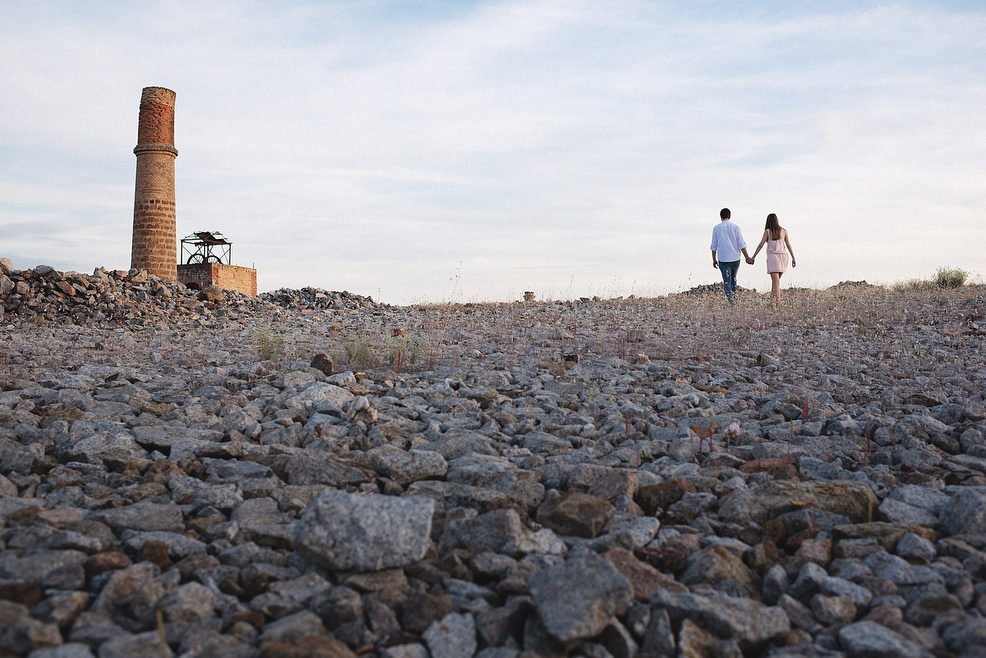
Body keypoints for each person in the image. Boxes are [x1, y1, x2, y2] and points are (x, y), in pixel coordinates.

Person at [750, 212, 797, 302]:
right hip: (783, 257)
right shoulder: (784, 231)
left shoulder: (767, 231)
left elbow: (761, 245)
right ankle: (772, 304)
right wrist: (793, 257)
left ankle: (777, 302)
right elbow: (788, 245)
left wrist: (753, 256)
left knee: (776, 282)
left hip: (773, 257)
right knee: (776, 282)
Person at [710, 208, 754, 302]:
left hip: (723, 259)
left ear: (720, 216)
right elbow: (741, 244)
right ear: (729, 216)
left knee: (727, 281)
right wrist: (747, 257)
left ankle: (731, 301)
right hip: (735, 258)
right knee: (733, 278)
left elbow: (714, 246)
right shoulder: (736, 227)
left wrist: (714, 259)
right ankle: (733, 297)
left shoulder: (716, 228)